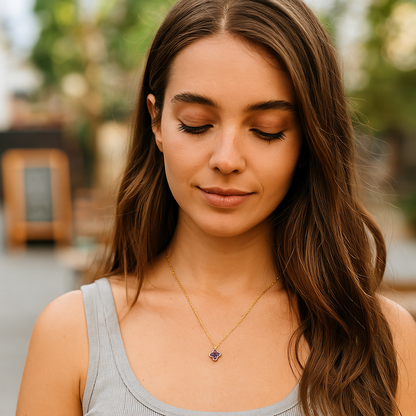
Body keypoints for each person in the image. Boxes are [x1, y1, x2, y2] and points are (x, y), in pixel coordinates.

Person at [16, 0, 416, 415]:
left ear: (309, 138)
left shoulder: (384, 338)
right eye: (196, 123)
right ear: (156, 121)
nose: (227, 159)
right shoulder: (72, 334)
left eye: (267, 131)